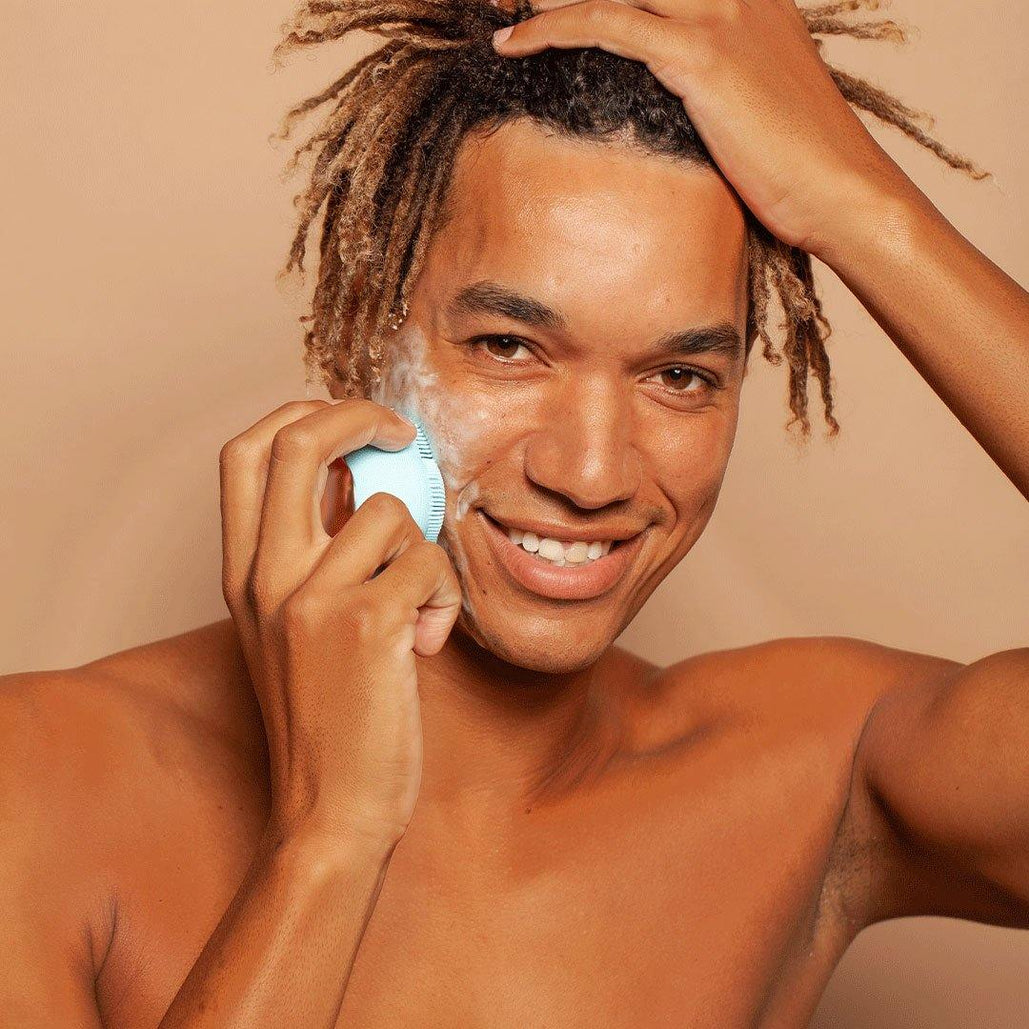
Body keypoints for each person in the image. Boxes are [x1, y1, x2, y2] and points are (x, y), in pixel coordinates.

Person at [2, 0, 1026, 1025]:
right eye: (508, 347)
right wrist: (329, 837)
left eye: (678, 376)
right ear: (363, 331)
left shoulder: (811, 774)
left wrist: (860, 207)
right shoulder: (38, 780)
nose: (591, 473)